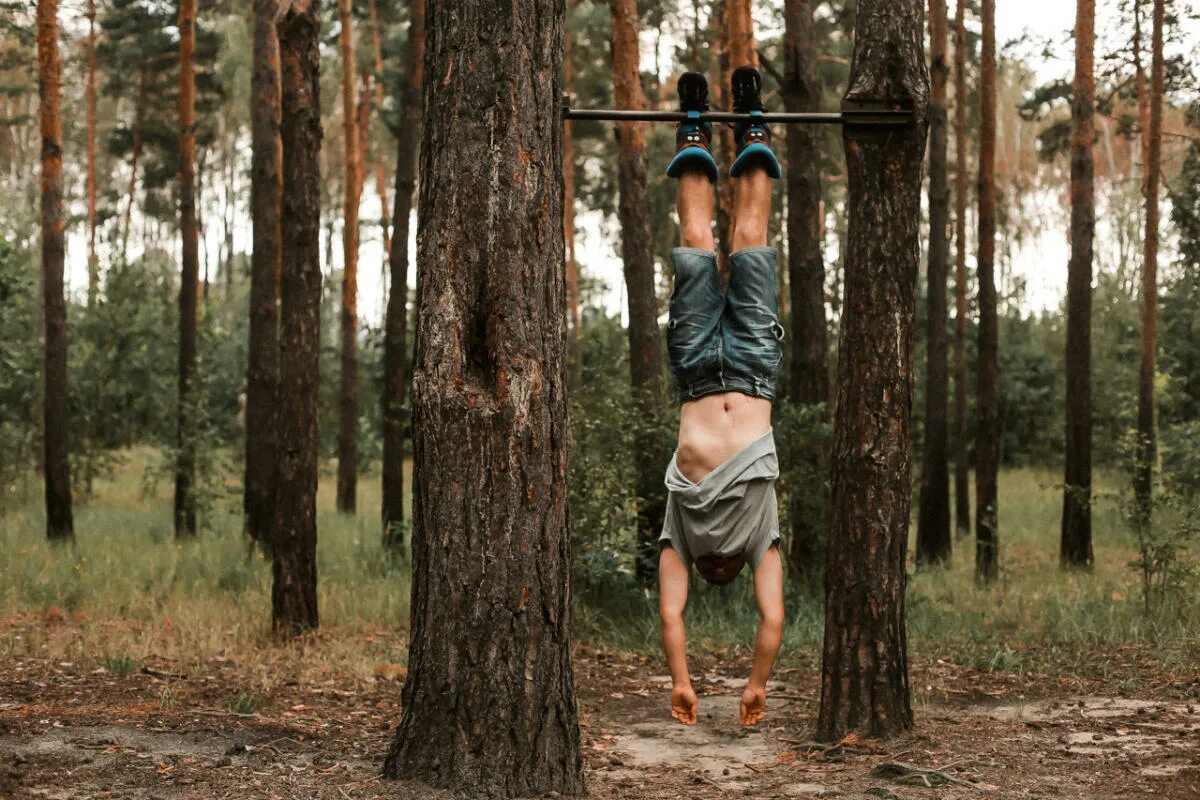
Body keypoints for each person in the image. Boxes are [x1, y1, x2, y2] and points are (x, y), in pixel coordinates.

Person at [658, 67, 786, 728]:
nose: (711, 570)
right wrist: (756, 684)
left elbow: (671, 613)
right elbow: (772, 618)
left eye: (706, 573)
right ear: (730, 567)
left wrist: (683, 681)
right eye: (719, 572)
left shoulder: (680, 533)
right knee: (751, 242)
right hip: (754, 370)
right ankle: (753, 118)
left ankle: (694, 123)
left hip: (697, 373)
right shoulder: (758, 534)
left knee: (697, 246)